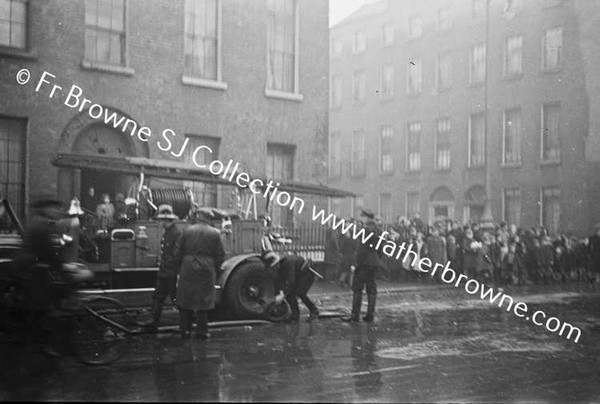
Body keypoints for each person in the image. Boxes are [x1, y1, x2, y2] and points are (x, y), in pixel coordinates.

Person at [173, 207, 225, 340]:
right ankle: (202, 332)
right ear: (208, 218)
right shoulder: (215, 233)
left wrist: (179, 269)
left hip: (188, 267)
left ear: (197, 217)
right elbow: (220, 255)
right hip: (206, 268)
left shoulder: (187, 231)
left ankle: (185, 330)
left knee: (186, 300)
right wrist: (216, 269)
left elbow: (177, 253)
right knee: (204, 300)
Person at [144, 204, 183, 331]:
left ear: (169, 220)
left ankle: (187, 321)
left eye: (163, 221)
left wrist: (175, 272)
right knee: (158, 295)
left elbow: (177, 254)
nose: (161, 223)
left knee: (176, 297)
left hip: (172, 272)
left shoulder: (177, 233)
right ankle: (153, 320)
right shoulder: (168, 232)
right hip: (165, 271)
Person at [343, 208, 381, 322]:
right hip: (374, 263)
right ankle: (370, 315)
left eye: (362, 216)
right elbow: (381, 248)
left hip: (364, 263)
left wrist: (356, 263)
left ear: (366, 217)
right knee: (371, 289)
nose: (361, 218)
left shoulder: (365, 231)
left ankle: (355, 315)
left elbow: (361, 250)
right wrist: (377, 259)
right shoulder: (379, 230)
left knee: (357, 288)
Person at [271, 254, 320, 322]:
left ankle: (314, 310)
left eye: (275, 266)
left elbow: (291, 282)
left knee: (301, 293)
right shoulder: (279, 268)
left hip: (307, 274)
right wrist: (280, 292)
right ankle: (295, 315)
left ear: (277, 263)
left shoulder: (288, 263)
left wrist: (282, 295)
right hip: (299, 275)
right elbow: (279, 281)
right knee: (290, 295)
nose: (274, 268)